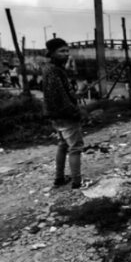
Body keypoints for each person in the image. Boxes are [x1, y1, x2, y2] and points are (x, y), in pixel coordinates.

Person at [42, 38, 90, 190]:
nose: (66, 54)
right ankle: (77, 182)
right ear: (51, 53)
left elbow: (63, 94)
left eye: (67, 51)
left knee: (62, 145)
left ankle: (59, 178)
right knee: (75, 148)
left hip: (55, 115)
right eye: (61, 51)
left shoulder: (50, 69)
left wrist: (79, 92)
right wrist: (75, 112)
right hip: (65, 115)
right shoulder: (55, 71)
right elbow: (60, 97)